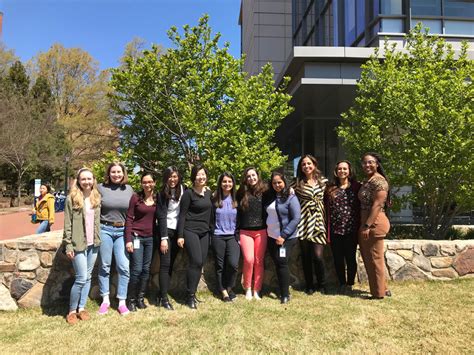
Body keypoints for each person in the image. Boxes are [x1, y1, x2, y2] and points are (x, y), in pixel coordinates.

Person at [63, 168, 101, 325]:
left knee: (88, 277)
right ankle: (72, 310)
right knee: (81, 278)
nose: (87, 182)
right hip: (78, 244)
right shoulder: (71, 198)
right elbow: (67, 224)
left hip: (94, 244)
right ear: (78, 181)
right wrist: (68, 245)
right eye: (83, 179)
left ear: (93, 180)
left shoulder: (96, 197)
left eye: (89, 179)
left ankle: (82, 307)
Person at [97, 162, 134, 316]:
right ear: (109, 173)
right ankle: (105, 300)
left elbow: (134, 211)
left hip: (122, 231)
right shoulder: (100, 188)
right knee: (104, 265)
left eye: (119, 172)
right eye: (113, 172)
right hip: (104, 229)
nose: (116, 174)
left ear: (123, 173)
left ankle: (122, 302)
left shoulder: (129, 189)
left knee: (124, 267)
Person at [177, 164, 213, 309]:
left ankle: (192, 293)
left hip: (205, 232)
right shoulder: (188, 194)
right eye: (198, 174)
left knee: (200, 263)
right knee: (196, 261)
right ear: (194, 177)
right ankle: (189, 296)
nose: (201, 177)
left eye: (203, 174)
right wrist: (180, 235)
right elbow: (183, 215)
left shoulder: (209, 192)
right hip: (190, 230)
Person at [293, 154, 328, 294]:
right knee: (306, 256)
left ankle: (322, 284)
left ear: (314, 165)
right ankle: (309, 285)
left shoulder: (324, 182)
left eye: (309, 164)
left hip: (319, 221)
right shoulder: (296, 184)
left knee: (318, 256)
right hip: (304, 222)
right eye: (303, 164)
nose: (306, 166)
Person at [324, 161, 361, 294]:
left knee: (351, 258)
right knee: (338, 259)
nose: (342, 171)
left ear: (349, 171)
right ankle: (341, 283)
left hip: (351, 230)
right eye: (339, 169)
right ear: (336, 171)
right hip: (335, 230)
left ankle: (350, 283)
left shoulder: (357, 187)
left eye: (345, 169)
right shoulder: (330, 188)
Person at [358, 152, 391, 300]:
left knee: (374, 259)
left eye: (370, 162)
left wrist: (367, 225)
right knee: (370, 258)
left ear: (377, 164)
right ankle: (383, 288)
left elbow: (378, 204)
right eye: (365, 163)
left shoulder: (379, 181)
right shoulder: (369, 180)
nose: (367, 165)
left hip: (374, 222)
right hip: (366, 220)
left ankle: (378, 294)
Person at [265, 171, 301, 304]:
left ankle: (285, 294)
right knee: (278, 263)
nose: (277, 185)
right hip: (271, 236)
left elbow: (296, 218)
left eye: (279, 182)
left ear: (284, 182)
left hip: (286, 237)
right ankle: (282, 288)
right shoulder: (270, 196)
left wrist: (283, 235)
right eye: (274, 183)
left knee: (281, 262)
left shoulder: (291, 198)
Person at [124, 172, 156, 312]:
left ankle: (140, 298)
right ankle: (130, 299)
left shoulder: (157, 198)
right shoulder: (136, 198)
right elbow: (129, 218)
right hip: (136, 237)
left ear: (154, 183)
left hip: (150, 238)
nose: (147, 184)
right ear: (141, 183)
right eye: (144, 182)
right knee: (136, 269)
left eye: (150, 182)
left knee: (146, 269)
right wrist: (128, 240)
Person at [236, 167, 268, 300]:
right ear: (245, 178)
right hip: (245, 231)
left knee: (259, 261)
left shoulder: (265, 191)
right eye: (248, 176)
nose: (251, 178)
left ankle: (257, 290)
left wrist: (290, 189)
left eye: (253, 175)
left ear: (257, 176)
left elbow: (280, 186)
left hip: (261, 231)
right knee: (249, 260)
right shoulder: (241, 192)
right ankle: (248, 288)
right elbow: (237, 213)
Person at [156, 166, 185, 310]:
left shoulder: (183, 190)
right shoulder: (161, 193)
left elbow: (183, 213)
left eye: (175, 176)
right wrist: (163, 237)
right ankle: (163, 297)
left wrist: (180, 234)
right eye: (169, 176)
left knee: (171, 264)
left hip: (177, 232)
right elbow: (161, 216)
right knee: (165, 264)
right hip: (165, 231)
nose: (172, 179)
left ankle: (162, 293)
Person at [211, 172, 240, 302]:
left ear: (233, 183)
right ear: (220, 183)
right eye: (224, 181)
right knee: (220, 265)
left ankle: (229, 287)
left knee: (233, 264)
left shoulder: (237, 198)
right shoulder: (214, 198)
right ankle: (223, 291)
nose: (227, 184)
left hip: (232, 236)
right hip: (218, 236)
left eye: (229, 181)